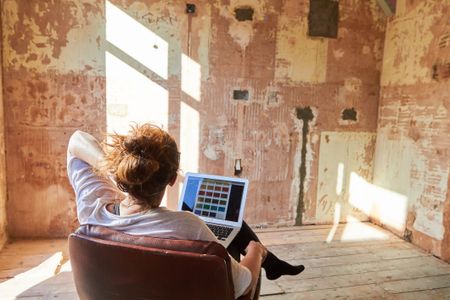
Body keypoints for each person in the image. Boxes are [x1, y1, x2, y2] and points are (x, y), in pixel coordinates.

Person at [67, 123, 304, 298]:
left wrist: (115, 171)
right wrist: (255, 252)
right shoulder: (187, 226)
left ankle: (273, 265)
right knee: (241, 240)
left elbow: (76, 141)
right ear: (172, 179)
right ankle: (269, 261)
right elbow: (243, 284)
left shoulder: (92, 210)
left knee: (236, 227)